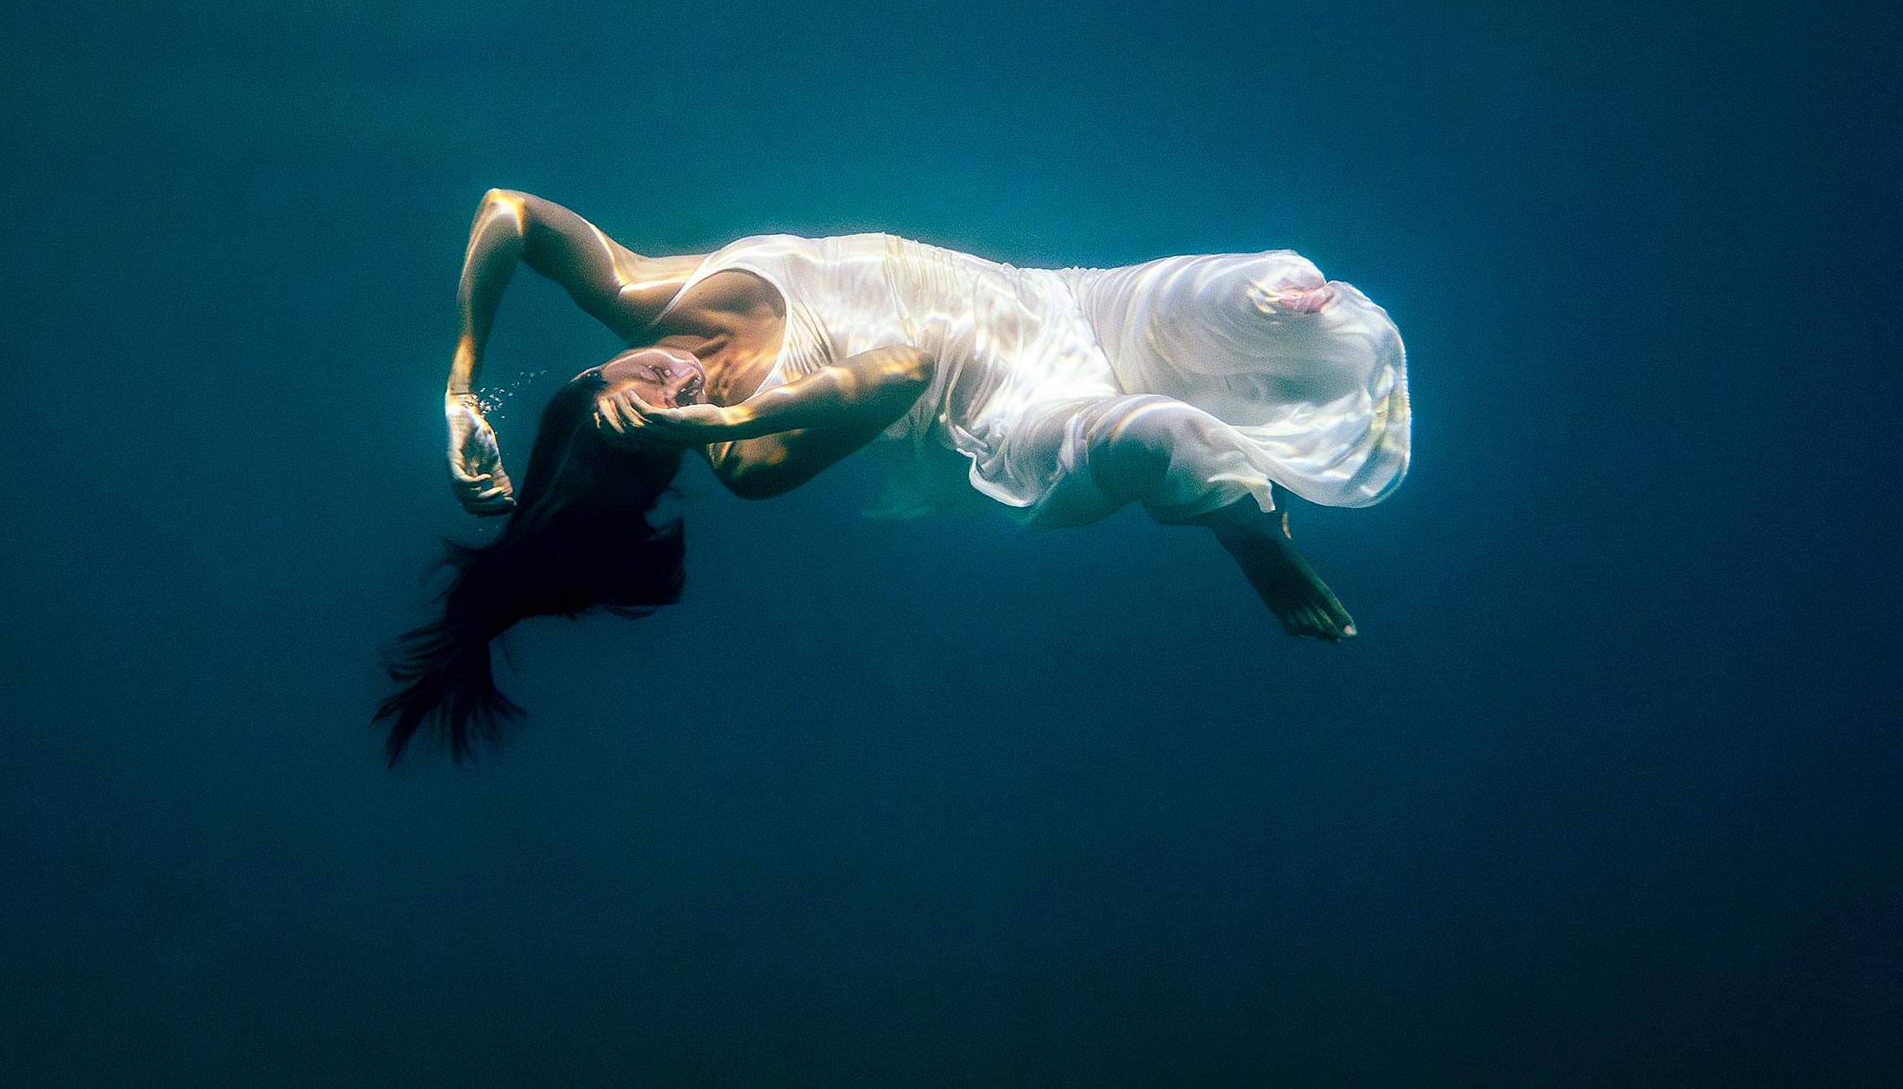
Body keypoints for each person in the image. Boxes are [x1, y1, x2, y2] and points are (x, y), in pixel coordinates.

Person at [377, 189, 1411, 763]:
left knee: (1274, 284)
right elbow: (901, 372)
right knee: (1166, 440)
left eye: (623, 398)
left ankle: (1241, 473)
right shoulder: (745, 457)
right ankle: (1251, 542)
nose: (664, 386)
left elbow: (506, 213)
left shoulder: (642, 295)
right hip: (1013, 410)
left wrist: (459, 386)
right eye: (651, 430)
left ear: (584, 376)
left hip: (1063, 302)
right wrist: (716, 419)